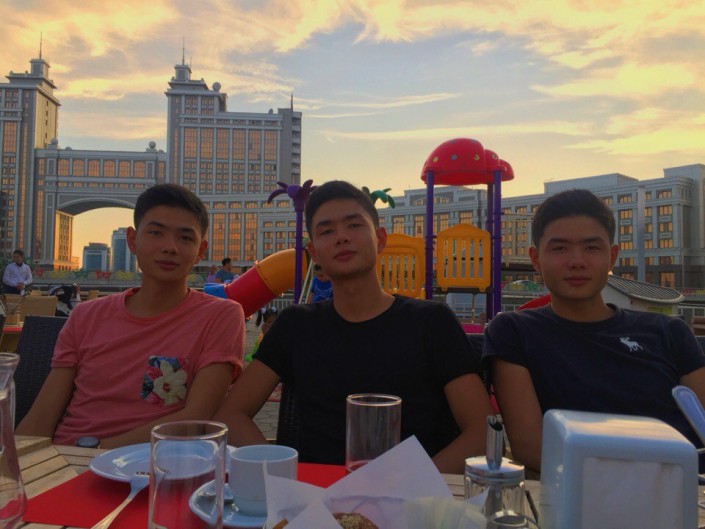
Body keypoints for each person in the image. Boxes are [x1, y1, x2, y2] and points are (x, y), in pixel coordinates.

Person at [214, 180, 493, 473]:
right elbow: (231, 415)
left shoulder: (432, 322)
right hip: (312, 495)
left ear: (380, 239)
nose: (341, 237)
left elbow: (481, 434)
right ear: (314, 253)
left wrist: (414, 487)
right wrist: (281, 477)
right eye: (327, 231)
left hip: (412, 494)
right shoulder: (295, 325)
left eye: (354, 225)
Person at [483, 189, 705, 472]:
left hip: (686, 487)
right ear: (536, 259)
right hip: (580, 490)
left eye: (591, 248)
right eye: (560, 248)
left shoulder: (669, 332)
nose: (577, 261)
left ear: (612, 257)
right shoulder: (514, 332)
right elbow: (530, 446)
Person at [17, 184, 245, 448]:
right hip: (65, 457)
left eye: (185, 238)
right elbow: (41, 418)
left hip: (155, 463)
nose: (170, 247)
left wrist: (96, 452)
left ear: (200, 251)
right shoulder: (86, 316)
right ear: (132, 240)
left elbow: (196, 419)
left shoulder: (220, 316)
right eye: (156, 233)